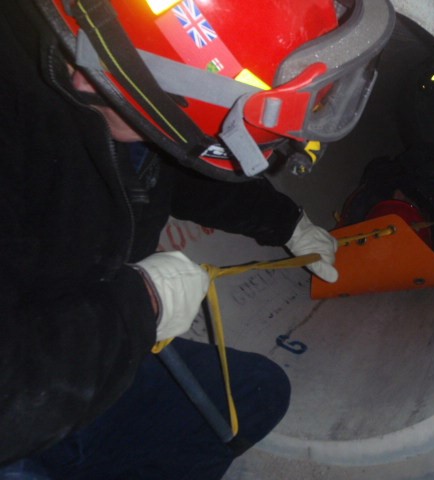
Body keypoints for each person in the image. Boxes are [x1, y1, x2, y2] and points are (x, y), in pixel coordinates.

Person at [0, 0, 395, 478]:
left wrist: (286, 222)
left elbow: (171, 161)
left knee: (256, 393)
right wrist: (141, 304)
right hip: (27, 389)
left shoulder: (124, 86)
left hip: (85, 329)